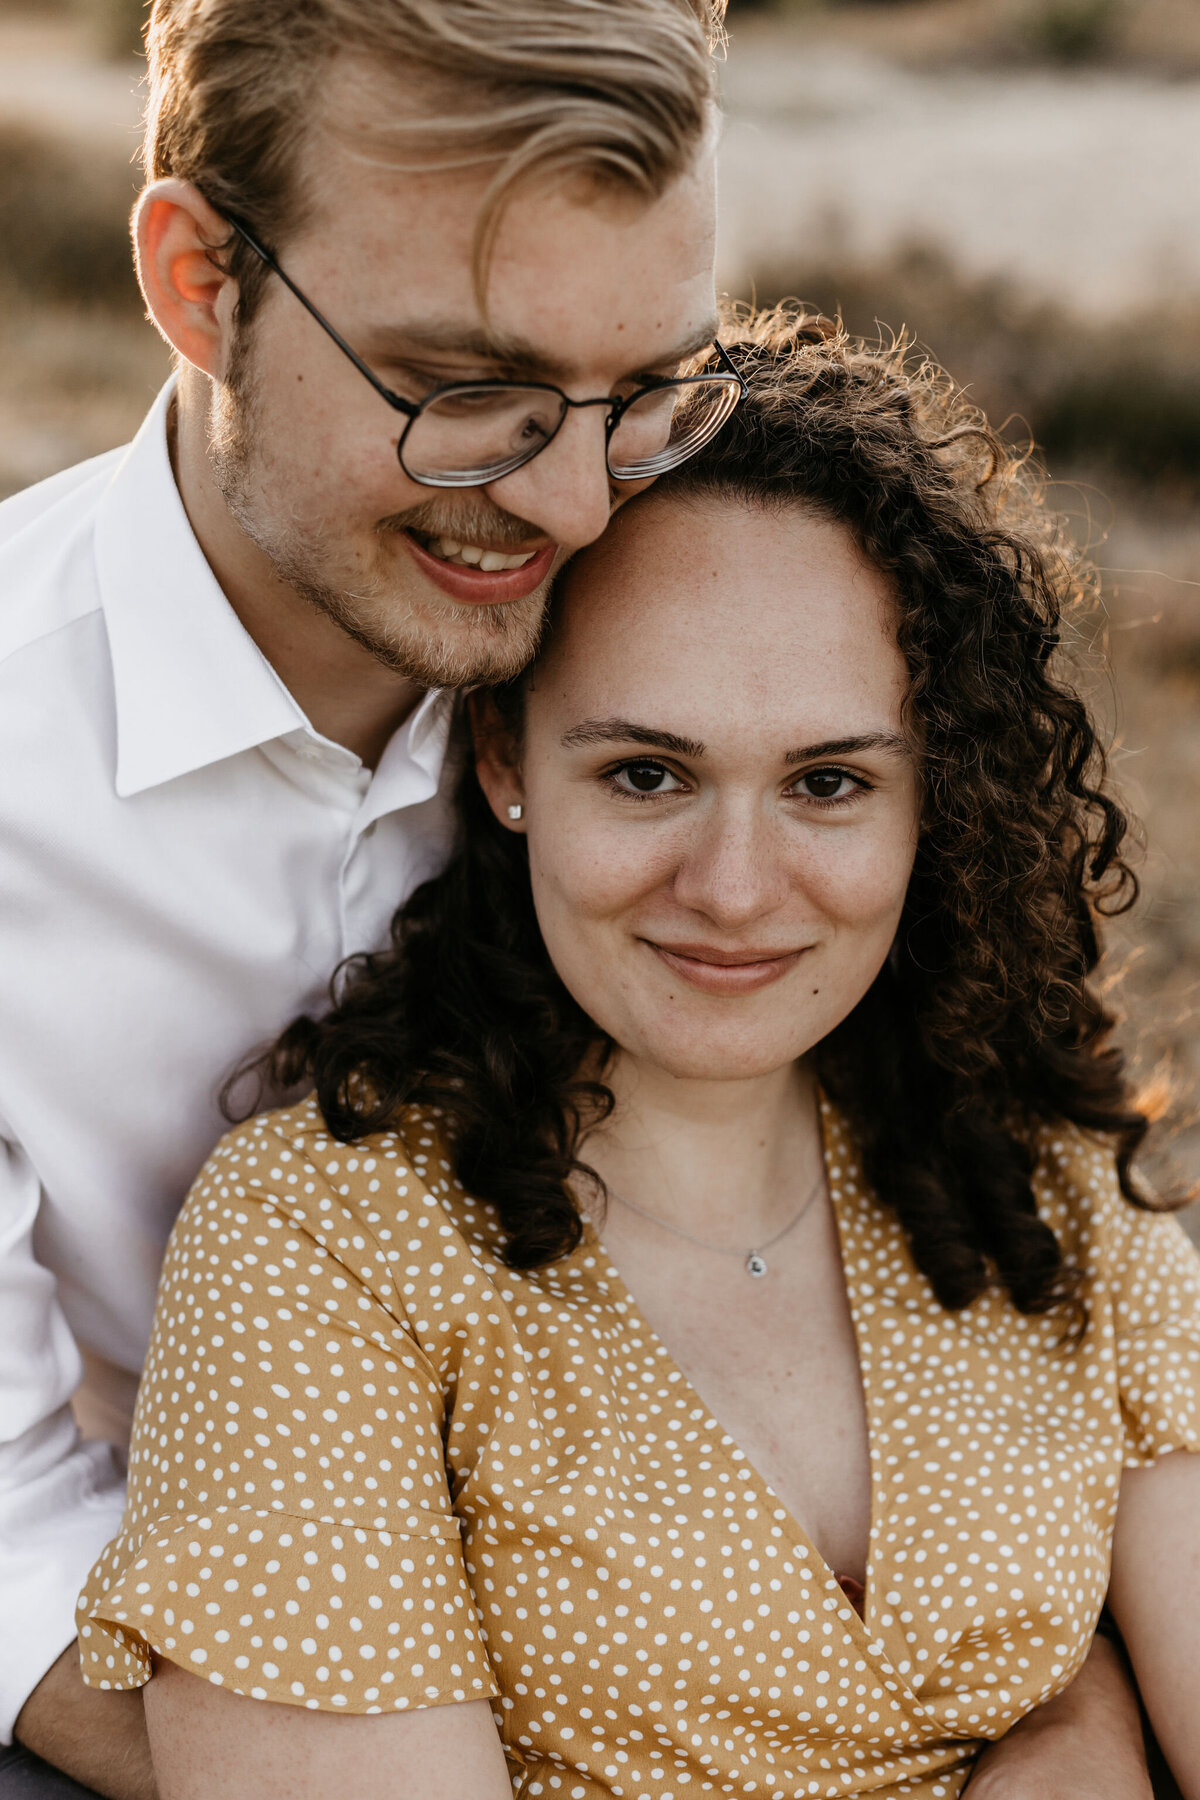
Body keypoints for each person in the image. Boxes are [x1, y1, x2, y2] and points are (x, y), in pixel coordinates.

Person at [75, 314, 1199, 1799]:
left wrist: (1091, 1718)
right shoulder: (325, 1250)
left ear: (937, 804)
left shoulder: (1048, 1184)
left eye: (829, 782)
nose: (734, 887)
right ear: (503, 762)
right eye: (647, 773)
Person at [0, 0, 734, 1792]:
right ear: (196, 284)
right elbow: (7, 1550)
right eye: (463, 393)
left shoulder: (723, 624)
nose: (569, 504)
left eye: (641, 394)